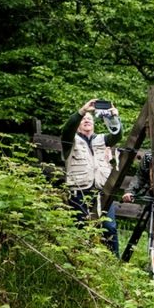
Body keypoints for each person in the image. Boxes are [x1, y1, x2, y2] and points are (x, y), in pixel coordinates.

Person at [61, 99, 124, 256]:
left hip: (102, 191)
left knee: (109, 228)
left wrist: (113, 118)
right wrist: (82, 111)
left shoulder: (103, 139)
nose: (87, 120)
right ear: (78, 124)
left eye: (90, 118)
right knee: (82, 229)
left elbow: (117, 135)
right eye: (83, 119)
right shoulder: (70, 140)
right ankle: (83, 262)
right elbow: (67, 129)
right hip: (79, 192)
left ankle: (113, 263)